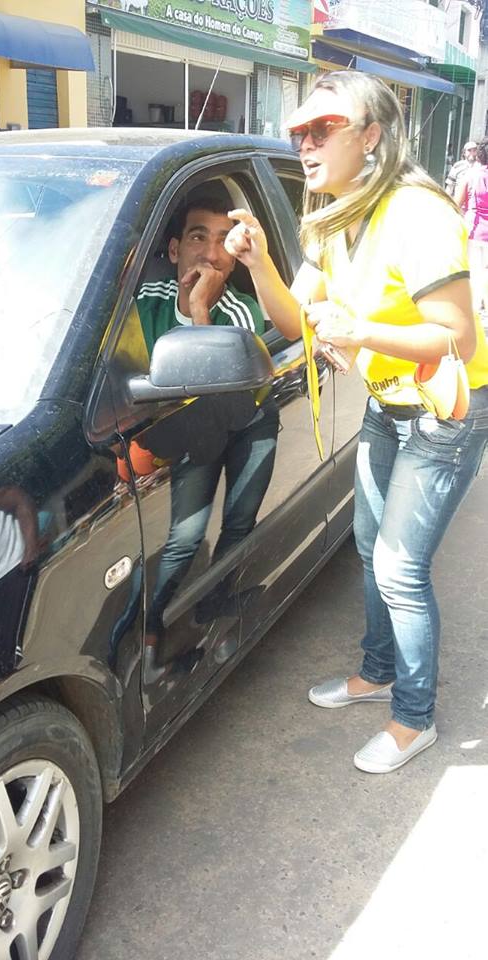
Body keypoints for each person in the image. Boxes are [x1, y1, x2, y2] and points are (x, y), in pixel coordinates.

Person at [225, 70, 488, 774]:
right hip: (386, 403)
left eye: (323, 129)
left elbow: (456, 336)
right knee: (370, 548)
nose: (305, 144)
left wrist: (359, 330)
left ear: (371, 135)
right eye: (299, 132)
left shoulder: (417, 212)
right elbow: (296, 321)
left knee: (400, 568)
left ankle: (414, 717)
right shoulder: (332, 216)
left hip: (446, 410)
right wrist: (258, 262)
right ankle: (376, 673)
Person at [126, 194, 279, 681]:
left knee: (239, 520)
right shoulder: (142, 302)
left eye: (223, 243)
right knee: (186, 535)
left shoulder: (241, 309)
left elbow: (223, 401)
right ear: (174, 249)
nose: (211, 254)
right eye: (198, 237)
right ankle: (149, 638)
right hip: (190, 431)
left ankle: (215, 603)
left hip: (245, 418)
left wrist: (198, 309)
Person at [455, 138, 488, 313]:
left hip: (474, 231)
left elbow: (456, 203)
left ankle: (475, 311)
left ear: (479, 155)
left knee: (475, 272)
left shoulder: (471, 175)